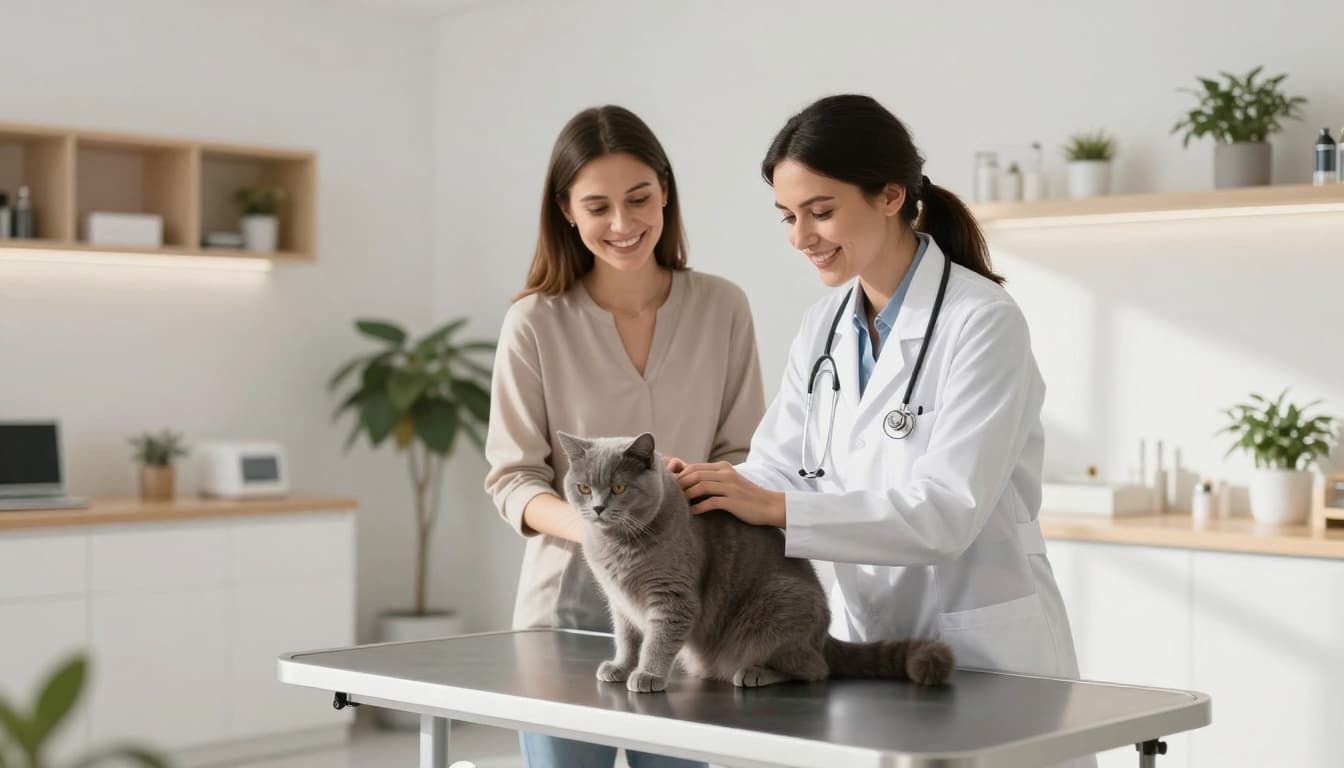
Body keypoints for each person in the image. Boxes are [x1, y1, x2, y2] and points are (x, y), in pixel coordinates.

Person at [674, 96, 1089, 761]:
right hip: (872, 642)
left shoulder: (982, 322)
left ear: (891, 195)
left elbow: (947, 512)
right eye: (788, 216)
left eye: (821, 210)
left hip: (983, 645)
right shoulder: (825, 325)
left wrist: (776, 505)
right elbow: (780, 465)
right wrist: (707, 488)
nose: (801, 236)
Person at [484, 105, 765, 768]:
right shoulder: (534, 323)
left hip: (685, 619)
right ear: (566, 210)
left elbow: (743, 456)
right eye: (598, 206)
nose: (622, 224)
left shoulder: (723, 307)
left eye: (639, 199)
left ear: (665, 190)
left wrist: (684, 510)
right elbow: (512, 478)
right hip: (565, 621)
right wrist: (604, 533)